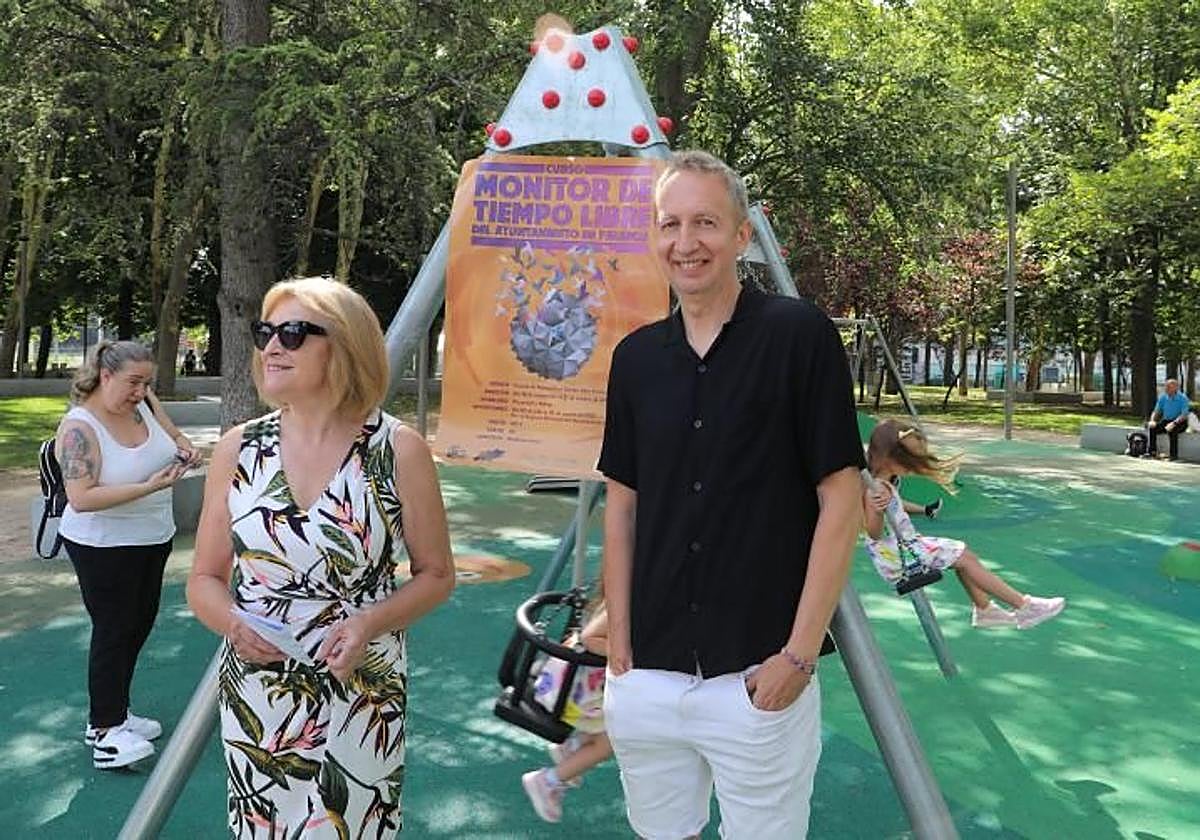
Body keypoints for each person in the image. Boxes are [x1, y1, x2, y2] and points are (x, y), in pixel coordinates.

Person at [597, 150, 864, 839]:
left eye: (706, 223)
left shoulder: (799, 337)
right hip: (647, 671)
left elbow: (841, 498)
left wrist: (798, 656)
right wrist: (620, 639)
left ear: (742, 236)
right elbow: (622, 505)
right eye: (670, 224)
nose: (686, 242)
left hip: (758, 672)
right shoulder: (635, 360)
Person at [187, 276, 454, 839]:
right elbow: (205, 580)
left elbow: (436, 576)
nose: (272, 346)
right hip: (261, 696)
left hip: (361, 692)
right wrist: (233, 624)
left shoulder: (397, 449)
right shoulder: (239, 447)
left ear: (346, 345)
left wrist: (368, 623)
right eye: (266, 332)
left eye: (294, 332)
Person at [55, 340, 201, 769]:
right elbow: (81, 498)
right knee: (114, 628)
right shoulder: (79, 427)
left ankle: (116, 711)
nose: (141, 390)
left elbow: (172, 436)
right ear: (105, 376)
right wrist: (150, 487)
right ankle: (104, 730)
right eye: (133, 382)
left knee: (138, 625)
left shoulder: (145, 403)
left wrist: (185, 450)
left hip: (153, 537)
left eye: (147, 382)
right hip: (102, 544)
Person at [864, 419, 1065, 629]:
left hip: (906, 546)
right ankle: (1024, 606)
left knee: (965, 555)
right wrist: (877, 510)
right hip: (896, 554)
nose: (913, 468)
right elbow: (873, 532)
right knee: (963, 558)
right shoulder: (875, 489)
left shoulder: (888, 482)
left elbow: (895, 507)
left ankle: (985, 610)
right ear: (888, 457)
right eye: (909, 461)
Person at [521, 599, 612, 823]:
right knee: (611, 741)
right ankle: (547, 781)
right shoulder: (631, 597)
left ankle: (573, 747)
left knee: (621, 719)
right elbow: (590, 638)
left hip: (577, 684)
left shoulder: (631, 589)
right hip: (572, 692)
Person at [1146, 378, 1191, 461]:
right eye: (1166, 386)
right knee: (1152, 428)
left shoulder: (1183, 398)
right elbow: (1156, 411)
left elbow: (1184, 415)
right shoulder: (1163, 397)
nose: (1166, 388)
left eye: (1169, 387)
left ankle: (1173, 455)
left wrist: (1174, 423)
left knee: (1172, 431)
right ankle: (1152, 452)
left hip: (1180, 422)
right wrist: (1153, 420)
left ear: (1175, 388)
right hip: (1166, 421)